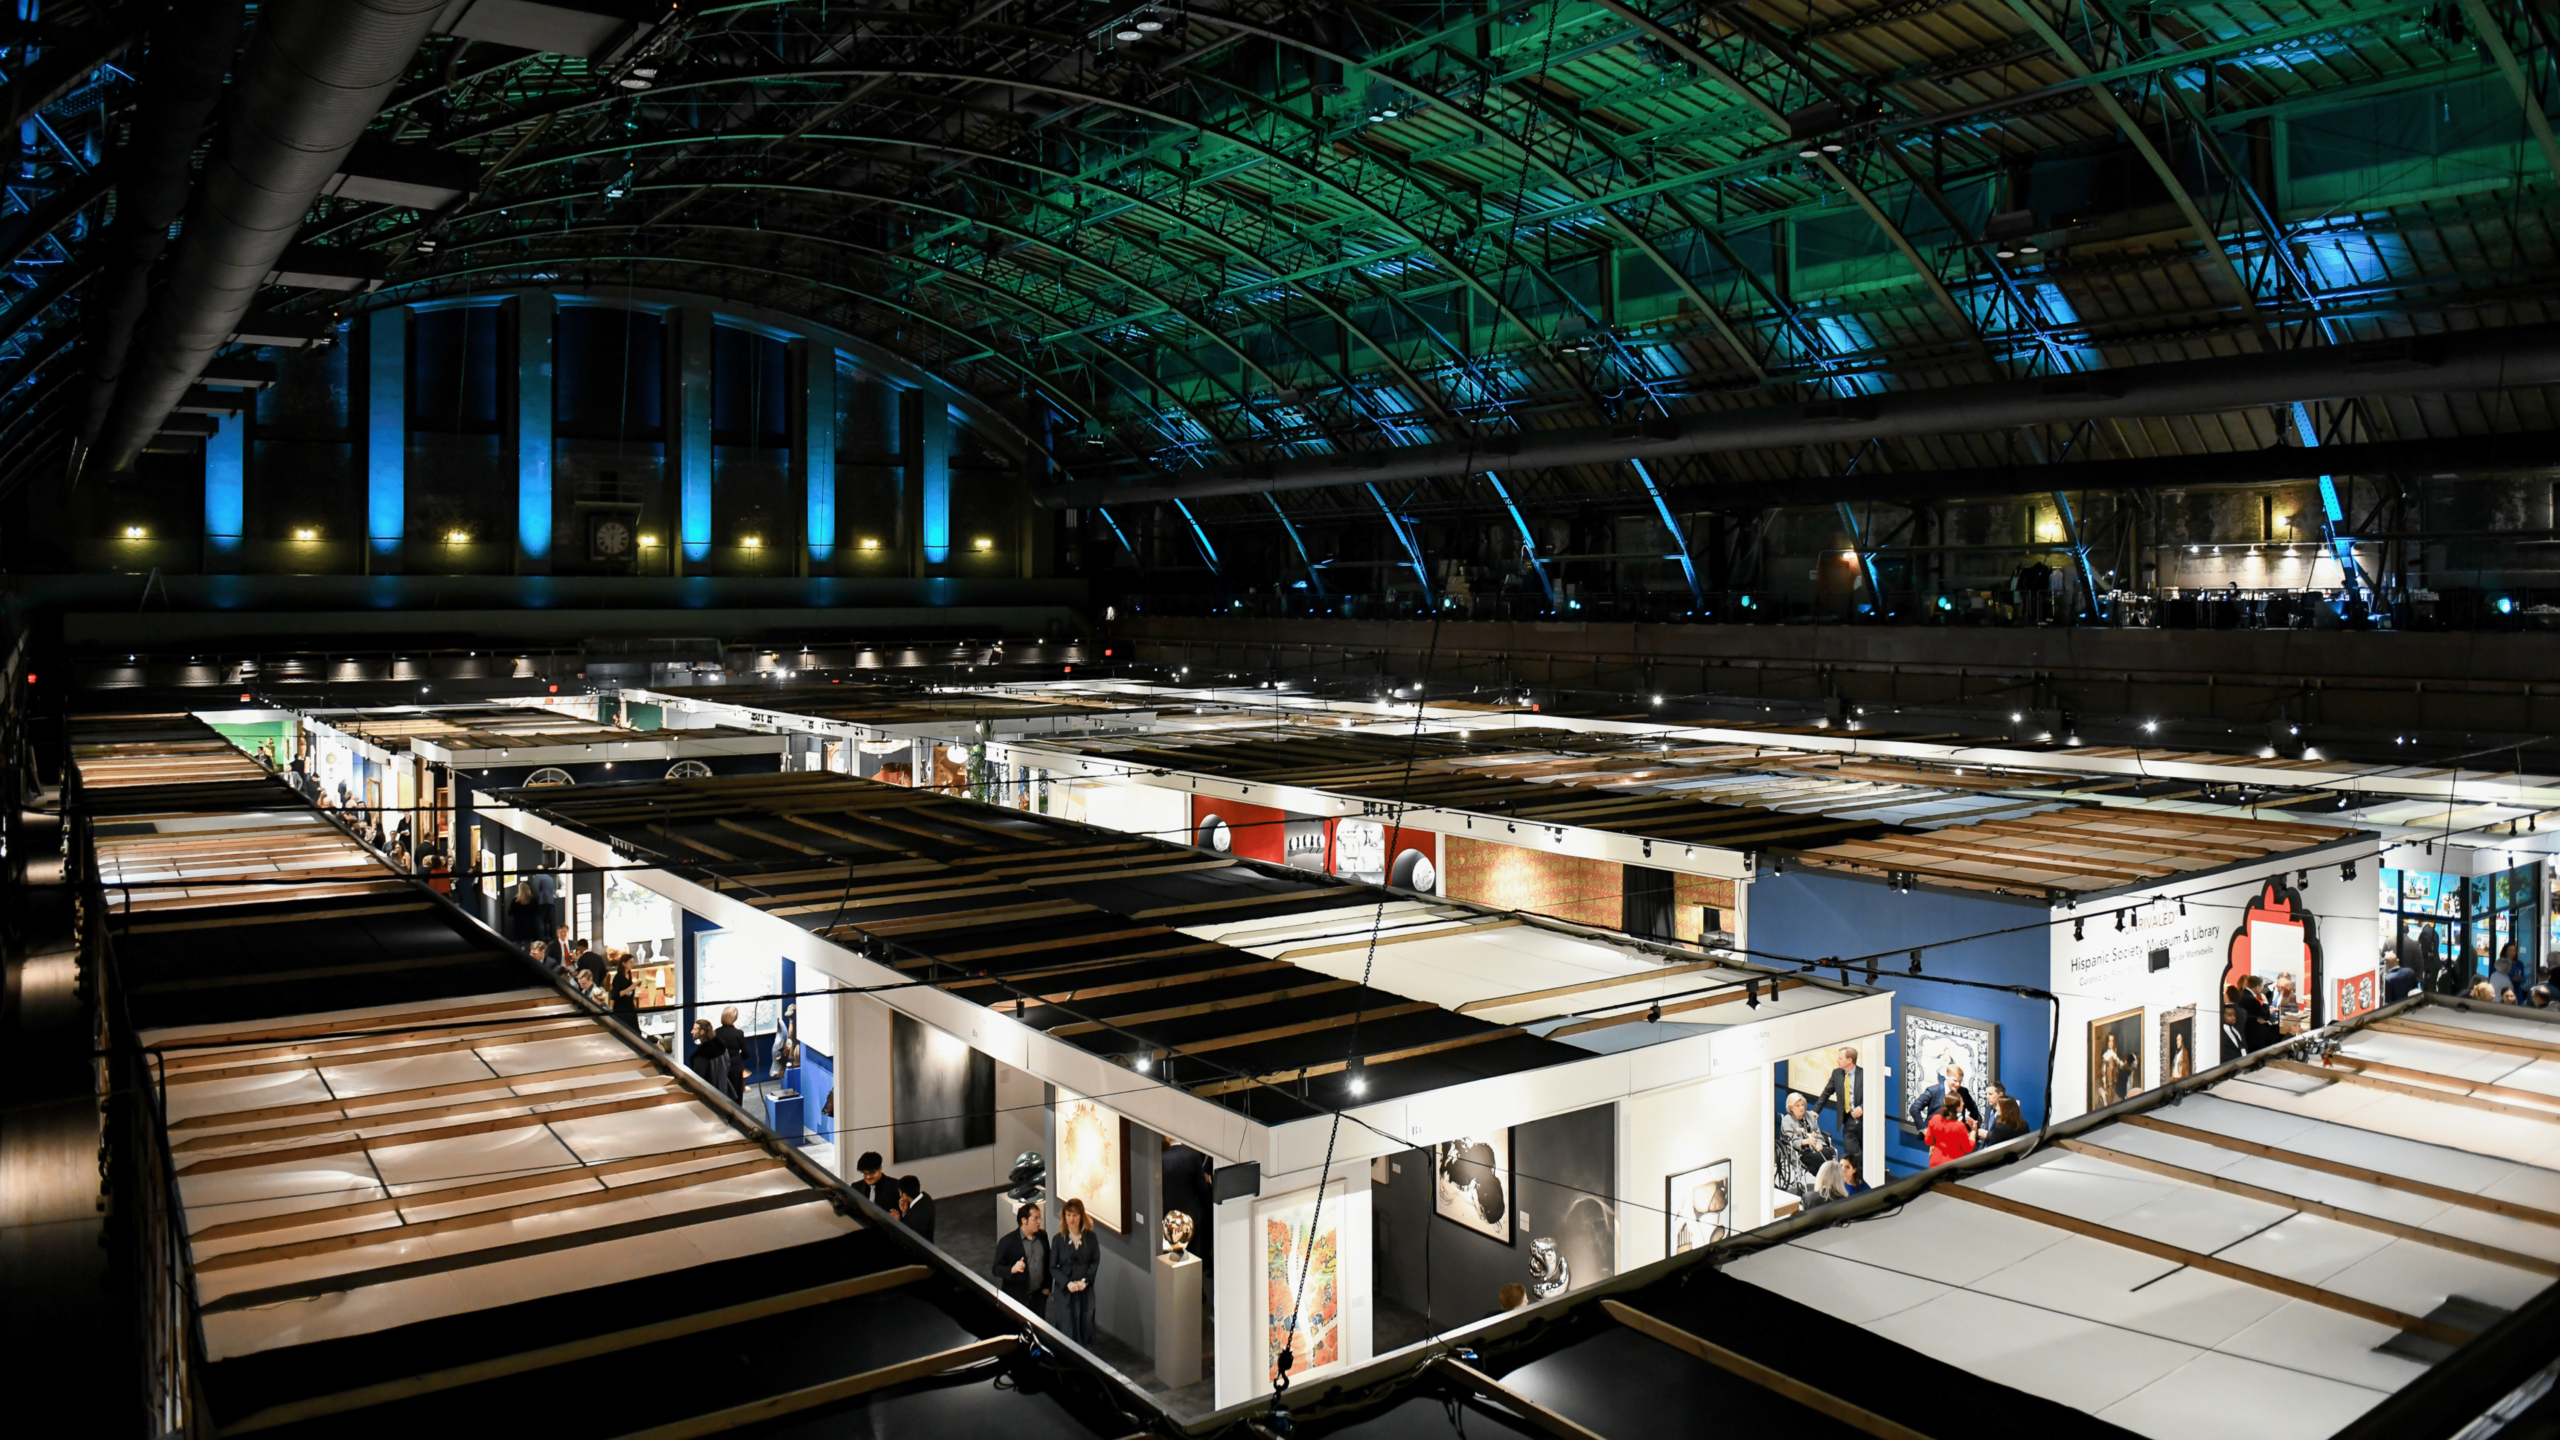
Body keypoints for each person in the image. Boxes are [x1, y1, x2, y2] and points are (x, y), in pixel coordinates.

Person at [1054, 1196, 1100, 1345]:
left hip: (1084, 1290)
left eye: (1075, 1215)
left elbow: (1095, 1261)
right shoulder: (1058, 1240)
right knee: (1067, 1324)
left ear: (1081, 1216)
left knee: (1086, 1322)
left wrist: (1085, 1280)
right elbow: (1053, 1267)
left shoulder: (1091, 1238)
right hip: (1066, 1291)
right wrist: (1067, 1283)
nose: (1071, 1219)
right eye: (1068, 1215)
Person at [994, 1200, 1051, 1317]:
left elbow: (1047, 1262)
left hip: (1038, 1297)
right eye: (1035, 1219)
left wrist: (1046, 1288)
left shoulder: (1043, 1236)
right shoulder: (1007, 1242)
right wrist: (1011, 1269)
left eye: (1040, 1218)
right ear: (1024, 1220)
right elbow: (996, 1269)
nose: (1039, 1222)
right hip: (1017, 1298)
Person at [1816, 1045, 1866, 1174]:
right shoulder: (1837, 1074)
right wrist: (1816, 1110)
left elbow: (1875, 1094)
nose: (1837, 1060)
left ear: (1850, 1060)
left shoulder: (1864, 1074)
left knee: (1867, 1154)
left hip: (1866, 1122)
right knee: (1851, 1155)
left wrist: (1863, 1107)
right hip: (1849, 1121)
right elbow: (1826, 1093)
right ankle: (1853, 1183)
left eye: (1840, 1058)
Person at [1775, 1092, 1832, 1198]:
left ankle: (1828, 1180)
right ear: (1791, 1108)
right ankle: (1824, 1181)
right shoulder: (1787, 1120)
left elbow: (1818, 1133)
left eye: (1803, 1105)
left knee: (1827, 1153)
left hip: (1815, 1147)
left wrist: (1820, 1143)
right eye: (1798, 1106)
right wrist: (1805, 1142)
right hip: (1801, 1151)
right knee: (1816, 1158)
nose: (1801, 1108)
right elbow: (1791, 1139)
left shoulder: (1810, 1116)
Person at [1909, 1063, 1982, 1136]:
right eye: (1955, 1080)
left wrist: (1969, 1128)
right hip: (1935, 1137)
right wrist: (1924, 1129)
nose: (1958, 1084)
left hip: (1956, 1138)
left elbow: (1974, 1109)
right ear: (1947, 1075)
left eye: (1960, 1081)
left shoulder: (1963, 1092)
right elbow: (1914, 1108)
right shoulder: (1933, 1091)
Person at [716, 1005, 752, 1102]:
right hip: (736, 1067)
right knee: (736, 1095)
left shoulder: (716, 1033)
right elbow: (746, 1054)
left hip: (720, 1067)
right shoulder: (738, 1033)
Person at [1926, 1096, 1975, 1167]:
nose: (1963, 1103)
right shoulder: (1959, 1126)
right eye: (1961, 1102)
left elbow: (1928, 1141)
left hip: (1936, 1161)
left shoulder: (1935, 1119)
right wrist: (1973, 1131)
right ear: (1957, 1107)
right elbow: (1968, 1148)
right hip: (1953, 1164)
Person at [686, 1019, 728, 1091]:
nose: (691, 1032)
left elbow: (699, 1078)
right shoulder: (722, 1047)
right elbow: (728, 1065)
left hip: (708, 1092)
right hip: (723, 1089)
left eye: (694, 1029)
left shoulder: (701, 1055)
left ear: (702, 1032)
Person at [897, 1175, 937, 1241]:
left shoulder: (916, 1216)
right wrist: (905, 1213)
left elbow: (907, 1234)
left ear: (904, 1195)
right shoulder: (926, 1197)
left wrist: (897, 1221)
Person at [608, 954, 639, 1022]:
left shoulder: (629, 974)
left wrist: (635, 986)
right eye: (630, 962)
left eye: (633, 962)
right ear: (624, 964)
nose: (632, 964)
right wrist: (630, 988)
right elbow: (615, 995)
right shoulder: (618, 978)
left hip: (630, 1006)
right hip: (621, 1008)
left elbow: (628, 992)